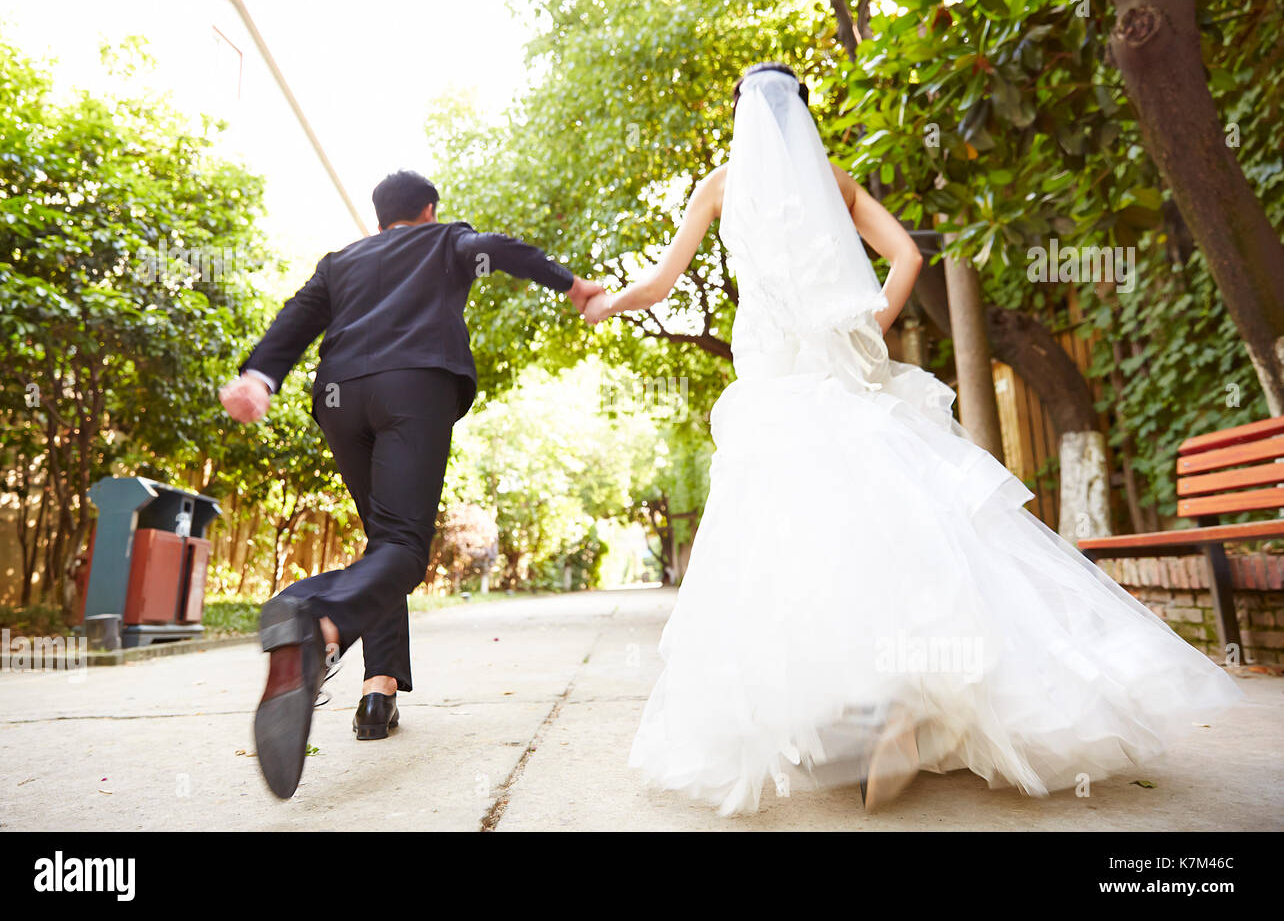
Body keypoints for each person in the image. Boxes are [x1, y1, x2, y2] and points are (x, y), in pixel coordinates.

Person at [582, 63, 1243, 816]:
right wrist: (875, 320)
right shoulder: (837, 180)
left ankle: (858, 718)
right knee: (903, 530)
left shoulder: (721, 186)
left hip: (773, 391)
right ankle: (893, 713)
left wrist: (605, 304)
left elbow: (664, 282)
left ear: (740, 116)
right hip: (847, 380)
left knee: (792, 547)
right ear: (805, 112)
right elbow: (909, 257)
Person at [220, 170, 603, 798]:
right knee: (402, 547)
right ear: (428, 211)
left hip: (341, 399)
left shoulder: (340, 262)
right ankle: (316, 617)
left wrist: (260, 377)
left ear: (379, 218)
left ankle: (379, 690)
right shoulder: (444, 239)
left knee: (382, 542)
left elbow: (299, 316)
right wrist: (572, 284)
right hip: (414, 386)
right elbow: (500, 250)